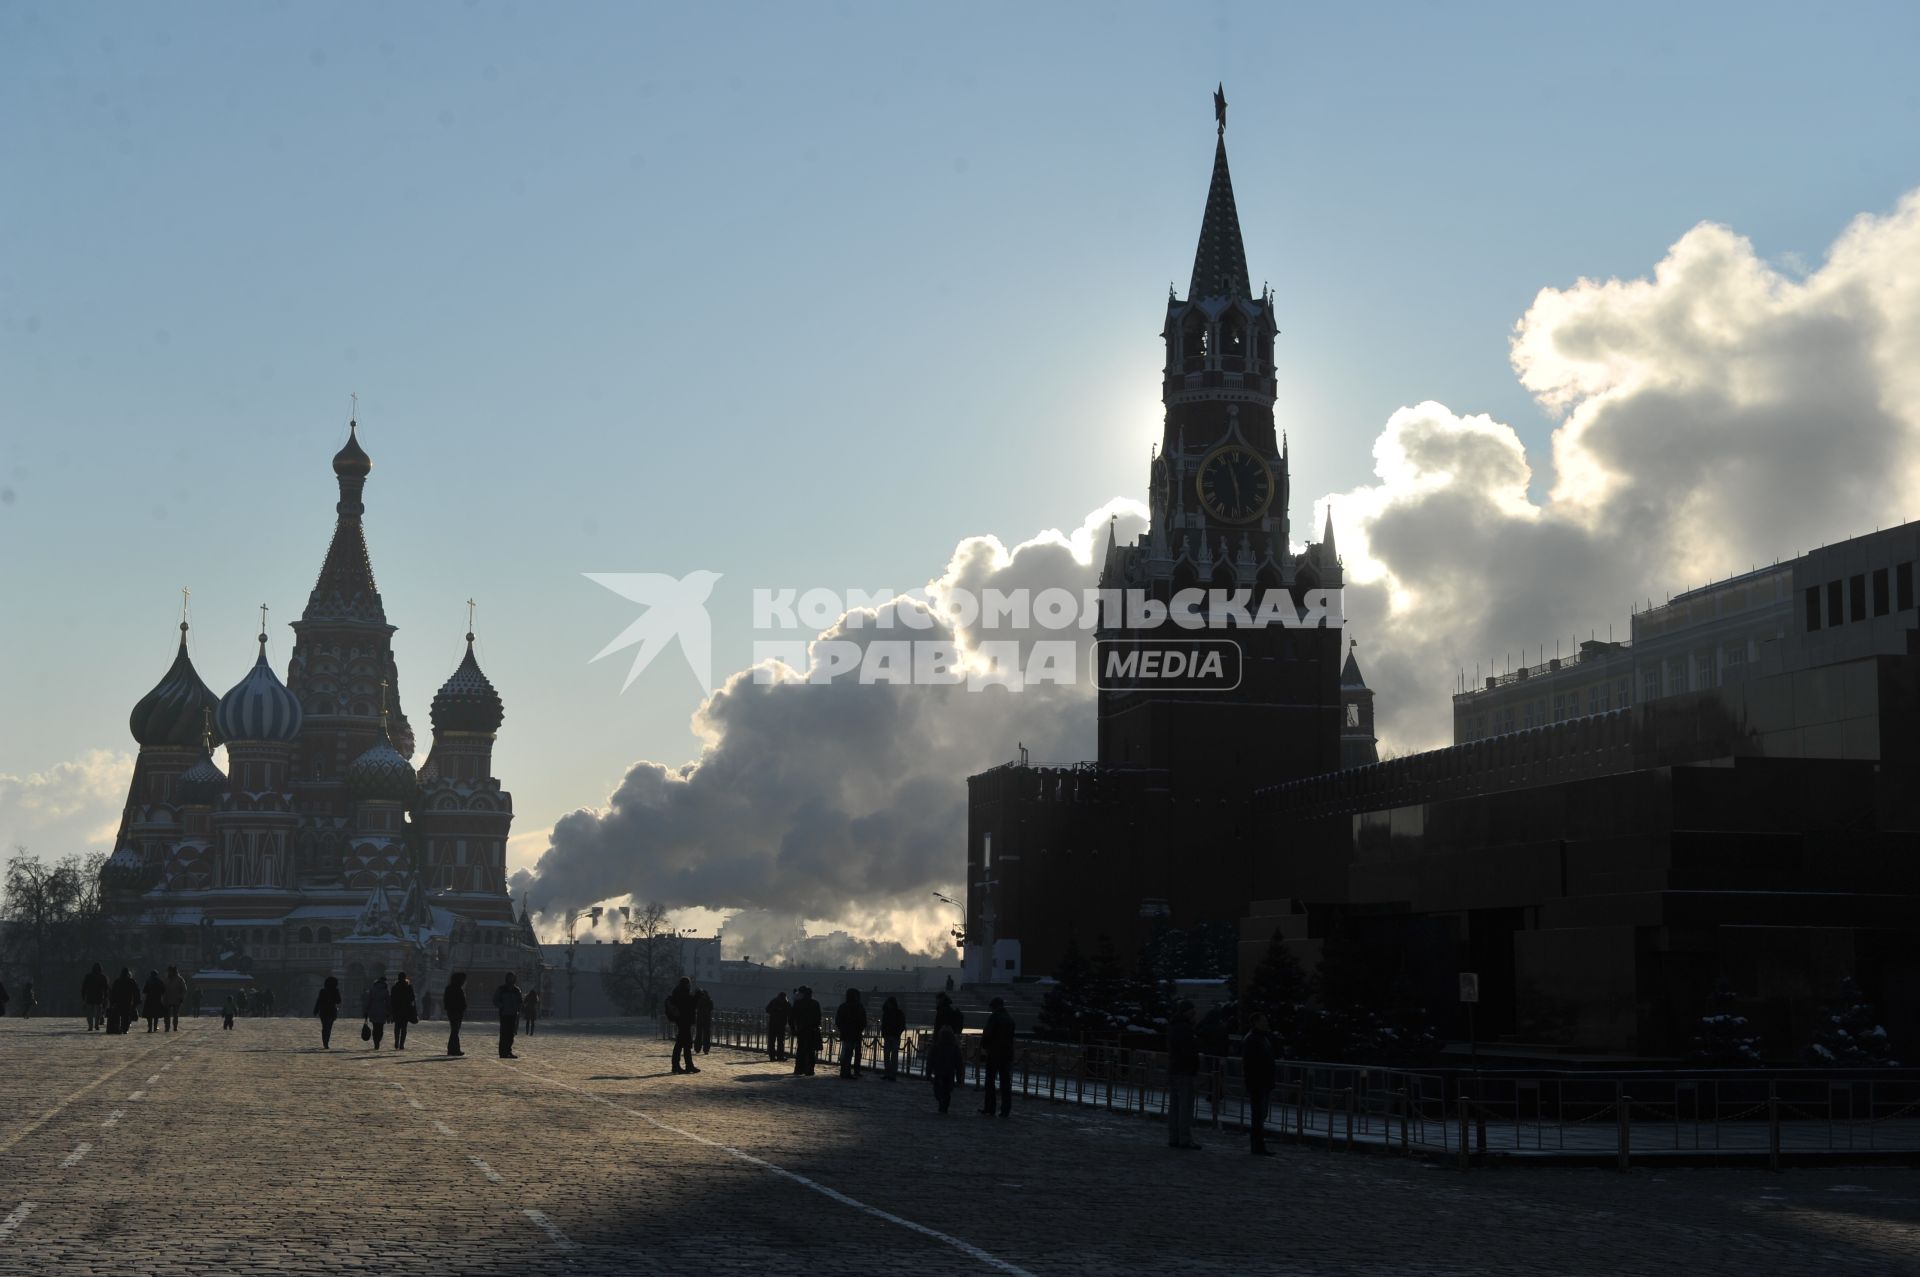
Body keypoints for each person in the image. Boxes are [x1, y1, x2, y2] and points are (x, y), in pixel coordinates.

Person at [1167, 1000, 1202, 1150]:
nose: (1194, 1014)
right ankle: (1184, 1139)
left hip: (1174, 1070)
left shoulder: (1173, 1026)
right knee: (1185, 1107)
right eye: (1192, 1011)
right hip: (1185, 1071)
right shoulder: (1185, 1029)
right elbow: (1189, 1051)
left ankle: (1174, 1137)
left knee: (1174, 1106)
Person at [1241, 1012, 1277, 1156]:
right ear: (1256, 1023)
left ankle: (1259, 1145)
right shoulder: (1253, 1039)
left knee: (1260, 1115)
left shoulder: (1261, 1038)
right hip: (1258, 1083)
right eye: (1263, 1021)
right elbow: (1250, 1064)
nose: (1266, 1023)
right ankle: (1257, 1146)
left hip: (1263, 1082)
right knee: (1258, 1115)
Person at [981, 996, 1015, 1117]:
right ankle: (1005, 1109)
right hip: (1007, 1054)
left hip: (994, 1053)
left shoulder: (994, 1018)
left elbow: (987, 1034)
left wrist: (984, 1047)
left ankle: (990, 1107)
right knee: (1005, 1083)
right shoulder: (1010, 1018)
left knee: (990, 1081)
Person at [666, 977, 698, 1074]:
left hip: (683, 1021)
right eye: (689, 984)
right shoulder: (681, 993)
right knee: (682, 1044)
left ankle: (687, 1065)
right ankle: (678, 1066)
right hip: (683, 1021)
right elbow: (688, 1005)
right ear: (686, 984)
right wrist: (696, 996)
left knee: (685, 1044)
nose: (690, 985)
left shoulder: (679, 991)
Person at [928, 1025, 963, 1114]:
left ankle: (941, 1101)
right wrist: (960, 1078)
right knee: (947, 1091)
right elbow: (959, 1063)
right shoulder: (955, 1047)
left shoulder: (936, 1046)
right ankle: (944, 1105)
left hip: (939, 1071)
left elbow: (930, 1060)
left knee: (938, 1090)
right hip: (949, 1072)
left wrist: (928, 1073)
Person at [835, 988, 867, 1079]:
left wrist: (843, 1029)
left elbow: (838, 1020)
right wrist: (859, 1029)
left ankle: (845, 1071)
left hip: (848, 1033)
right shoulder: (859, 1007)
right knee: (850, 1053)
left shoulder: (843, 1006)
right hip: (855, 1033)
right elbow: (863, 1021)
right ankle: (850, 1071)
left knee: (846, 1053)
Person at [791, 986, 822, 1076]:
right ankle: (810, 1069)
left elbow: (792, 1017)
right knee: (811, 1050)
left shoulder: (798, 1003)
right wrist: (815, 1026)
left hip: (801, 1029)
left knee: (801, 1049)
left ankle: (799, 1069)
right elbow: (818, 1017)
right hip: (811, 1030)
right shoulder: (815, 1003)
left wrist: (794, 1028)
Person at [493, 972, 523, 1059]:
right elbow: (495, 1000)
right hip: (504, 1014)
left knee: (511, 1034)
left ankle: (508, 1051)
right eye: (510, 978)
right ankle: (502, 1052)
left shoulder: (516, 990)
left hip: (513, 1014)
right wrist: (501, 1006)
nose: (511, 979)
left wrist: (518, 1009)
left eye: (513, 978)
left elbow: (520, 1001)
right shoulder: (501, 989)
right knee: (504, 1034)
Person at [880, 995, 906, 1081]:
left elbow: (901, 1025)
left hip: (893, 1036)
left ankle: (891, 1074)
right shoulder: (898, 1013)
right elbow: (902, 1025)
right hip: (891, 1036)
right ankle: (889, 1073)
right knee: (889, 1056)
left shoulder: (887, 1013)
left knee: (891, 1056)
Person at [389, 972, 417, 1050]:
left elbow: (392, 999)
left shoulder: (395, 987)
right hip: (406, 1010)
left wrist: (391, 1010)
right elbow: (412, 998)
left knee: (397, 1027)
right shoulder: (409, 987)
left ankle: (396, 1042)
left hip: (397, 1009)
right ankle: (401, 1044)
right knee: (404, 1027)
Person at [313, 976, 343, 1049]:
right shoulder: (336, 990)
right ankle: (326, 1042)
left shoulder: (323, 991)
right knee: (329, 1027)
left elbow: (319, 1001)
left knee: (324, 1027)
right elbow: (339, 1001)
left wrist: (316, 1010)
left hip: (323, 1011)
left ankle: (325, 1042)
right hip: (332, 1011)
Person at [443, 972, 468, 1057]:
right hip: (456, 1011)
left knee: (454, 1031)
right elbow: (459, 1001)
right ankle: (454, 1049)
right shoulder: (457, 989)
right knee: (455, 1031)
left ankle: (453, 1049)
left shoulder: (450, 988)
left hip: (453, 1011)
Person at [364, 975, 391, 1049]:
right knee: (380, 1028)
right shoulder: (385, 990)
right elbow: (388, 1002)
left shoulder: (372, 989)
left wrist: (367, 1009)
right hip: (382, 1010)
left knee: (375, 1027)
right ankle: (378, 1040)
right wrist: (389, 1011)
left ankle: (375, 1042)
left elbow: (369, 1001)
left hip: (374, 1010)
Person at [109, 967, 139, 1034]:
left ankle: (120, 1028)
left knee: (119, 1015)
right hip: (128, 1001)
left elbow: (113, 992)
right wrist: (136, 1001)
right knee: (126, 1015)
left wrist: (112, 1001)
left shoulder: (117, 981)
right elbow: (135, 992)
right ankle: (125, 1029)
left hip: (118, 1001)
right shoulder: (131, 981)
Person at [82, 963, 109, 1031]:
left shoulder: (88, 976)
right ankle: (96, 1024)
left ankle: (90, 1026)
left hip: (90, 996)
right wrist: (105, 997)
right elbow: (106, 988)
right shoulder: (103, 977)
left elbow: (84, 988)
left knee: (89, 1013)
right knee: (98, 1012)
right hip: (99, 997)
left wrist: (83, 997)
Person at [765, 991, 791, 1061]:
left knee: (771, 1041)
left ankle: (772, 1057)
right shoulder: (786, 1003)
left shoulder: (774, 1001)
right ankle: (780, 1056)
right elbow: (790, 1013)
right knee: (780, 1042)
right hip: (781, 1024)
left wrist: (774, 1012)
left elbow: (767, 1009)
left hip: (773, 1024)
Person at [163, 966, 186, 1032]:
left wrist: (181, 997)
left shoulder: (180, 979)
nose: (169, 973)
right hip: (167, 999)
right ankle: (167, 1027)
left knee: (175, 1015)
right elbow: (163, 989)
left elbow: (184, 989)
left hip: (176, 999)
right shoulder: (166, 979)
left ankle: (175, 1027)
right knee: (167, 1015)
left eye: (170, 971)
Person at [693, 987, 713, 1054]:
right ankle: (706, 1049)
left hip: (700, 1019)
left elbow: (695, 1007)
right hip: (707, 1019)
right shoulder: (709, 1000)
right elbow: (711, 1008)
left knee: (699, 1034)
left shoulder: (699, 1000)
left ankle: (697, 1048)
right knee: (706, 1035)